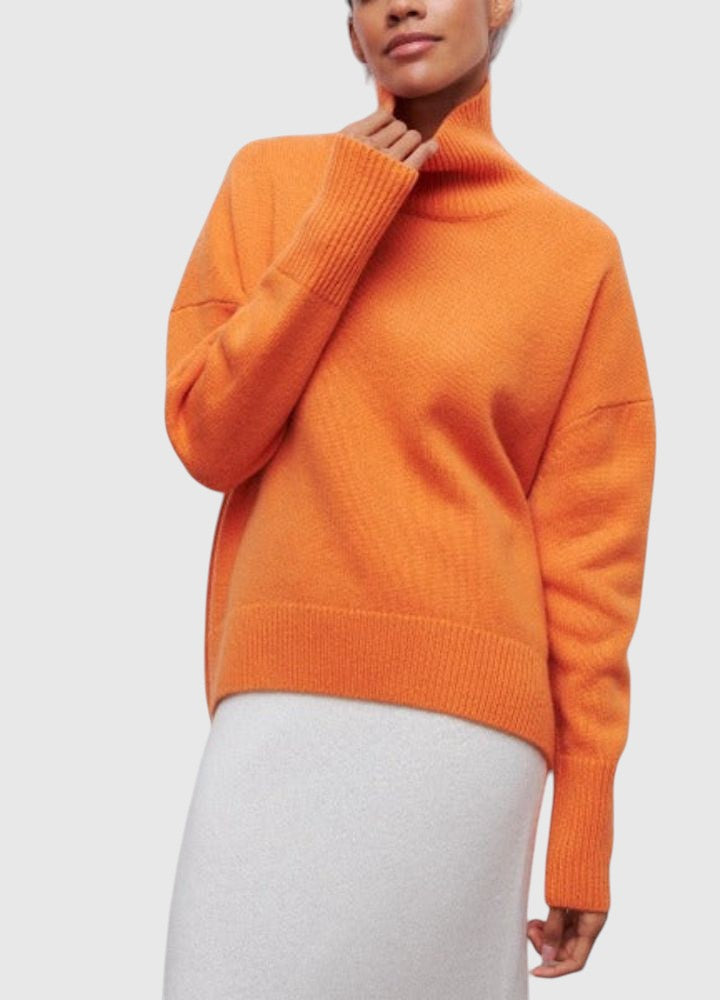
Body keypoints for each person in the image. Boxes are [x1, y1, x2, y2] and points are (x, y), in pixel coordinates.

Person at [161, 0, 656, 997]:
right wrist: (343, 219)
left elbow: (591, 567)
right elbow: (211, 438)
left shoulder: (571, 251)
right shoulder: (272, 182)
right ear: (350, 29)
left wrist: (584, 829)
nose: (398, 4)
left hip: (464, 734)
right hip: (276, 694)